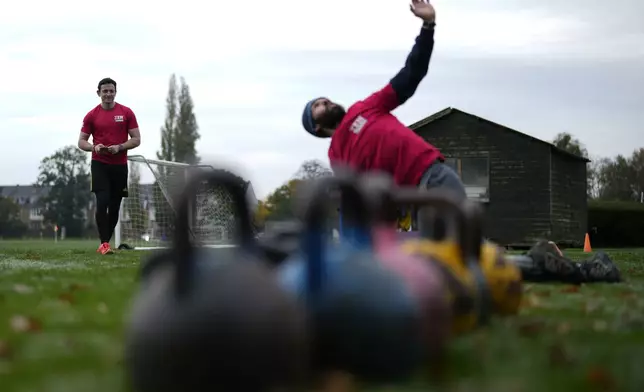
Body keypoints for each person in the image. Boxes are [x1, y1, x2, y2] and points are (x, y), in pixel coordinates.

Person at [300, 0, 465, 234]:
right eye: (316, 105)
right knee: (433, 260)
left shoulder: (364, 108)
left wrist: (428, 26)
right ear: (316, 127)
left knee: (462, 243)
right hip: (410, 203)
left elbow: (410, 75)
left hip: (433, 177)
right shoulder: (337, 157)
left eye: (324, 98)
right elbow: (361, 201)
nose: (325, 101)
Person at [78, 78, 141, 254]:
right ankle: (104, 243)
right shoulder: (92, 115)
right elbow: (81, 142)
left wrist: (120, 147)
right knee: (102, 201)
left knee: (114, 206)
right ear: (98, 93)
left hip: (119, 165)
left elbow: (136, 139)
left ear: (115, 92)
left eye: (111, 91)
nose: (108, 94)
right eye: (104, 91)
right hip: (99, 164)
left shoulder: (126, 112)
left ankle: (105, 243)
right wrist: (94, 147)